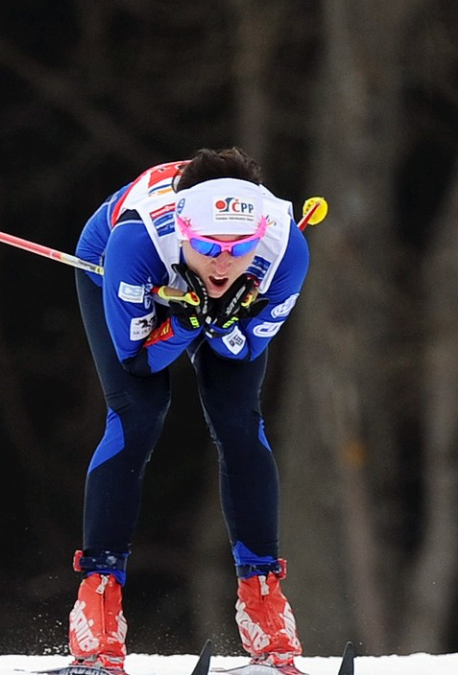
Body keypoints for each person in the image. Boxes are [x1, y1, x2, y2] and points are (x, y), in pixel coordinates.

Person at [67, 148, 309, 674]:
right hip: (115, 263)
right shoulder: (138, 243)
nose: (223, 262)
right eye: (208, 247)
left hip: (198, 295)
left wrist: (220, 321)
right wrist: (181, 321)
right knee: (139, 412)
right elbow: (137, 362)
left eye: (238, 248)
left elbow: (241, 352)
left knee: (237, 418)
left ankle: (263, 602)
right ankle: (98, 606)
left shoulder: (287, 249)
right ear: (186, 232)